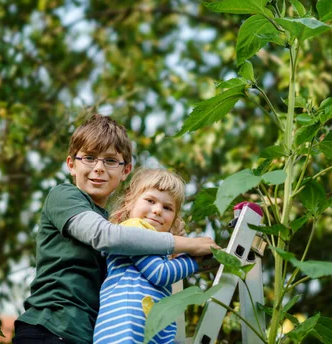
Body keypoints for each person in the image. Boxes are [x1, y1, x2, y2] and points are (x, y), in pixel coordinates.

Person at [14, 114, 217, 344]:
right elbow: (105, 237)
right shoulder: (64, 196)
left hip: (85, 334)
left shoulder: (115, 224)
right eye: (89, 158)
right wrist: (189, 244)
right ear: (71, 164)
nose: (99, 168)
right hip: (50, 327)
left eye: (110, 160)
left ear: (125, 170)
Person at [93, 168, 199, 344]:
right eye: (150, 201)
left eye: (167, 207)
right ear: (130, 201)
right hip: (125, 332)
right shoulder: (133, 229)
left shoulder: (158, 248)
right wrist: (194, 259)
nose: (157, 210)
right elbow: (159, 273)